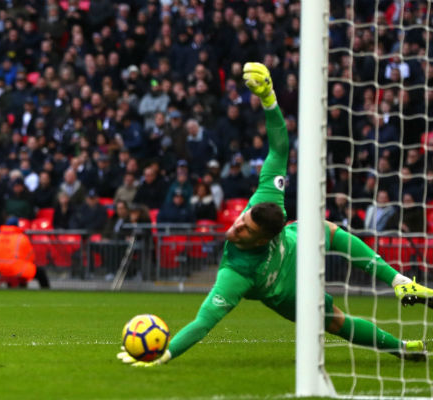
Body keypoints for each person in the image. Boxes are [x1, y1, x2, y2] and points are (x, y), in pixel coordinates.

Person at [118, 62, 432, 367]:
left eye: (244, 230)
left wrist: (164, 354)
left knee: (325, 236)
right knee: (334, 310)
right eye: (241, 219)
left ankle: (399, 281)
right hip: (291, 282)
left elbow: (202, 323)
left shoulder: (235, 274)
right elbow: (280, 148)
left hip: (287, 286)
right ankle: (402, 339)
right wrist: (268, 99)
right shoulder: (266, 199)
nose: (236, 226)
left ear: (263, 238)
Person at [0, 217, 50, 289]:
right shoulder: (21, 237)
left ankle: (15, 287)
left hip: (1, 268)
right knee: (41, 273)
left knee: (21, 269)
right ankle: (46, 291)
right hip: (16, 268)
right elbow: (31, 256)